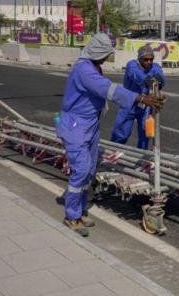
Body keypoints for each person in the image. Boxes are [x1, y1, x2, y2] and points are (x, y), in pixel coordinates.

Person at [56, 34, 165, 236]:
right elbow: (107, 89)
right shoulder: (84, 70)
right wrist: (141, 98)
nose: (107, 58)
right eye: (106, 54)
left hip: (90, 124)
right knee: (80, 170)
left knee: (88, 170)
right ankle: (71, 216)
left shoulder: (93, 66)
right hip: (76, 125)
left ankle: (79, 212)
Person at [110, 45, 165, 149]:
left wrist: (160, 80)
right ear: (139, 58)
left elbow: (160, 76)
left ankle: (141, 156)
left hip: (146, 105)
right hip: (130, 103)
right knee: (121, 133)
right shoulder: (132, 65)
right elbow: (136, 75)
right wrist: (148, 80)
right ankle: (112, 151)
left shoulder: (155, 66)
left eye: (151, 59)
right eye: (146, 59)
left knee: (145, 135)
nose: (149, 62)